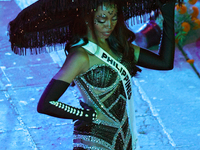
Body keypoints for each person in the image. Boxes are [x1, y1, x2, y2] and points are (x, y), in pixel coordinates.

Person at [35, 0, 175, 149]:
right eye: (102, 19)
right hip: (95, 138)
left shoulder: (120, 47)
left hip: (124, 135)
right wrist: (83, 115)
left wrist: (168, 18)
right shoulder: (80, 56)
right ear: (87, 19)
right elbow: (45, 104)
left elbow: (164, 63)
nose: (109, 24)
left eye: (114, 18)